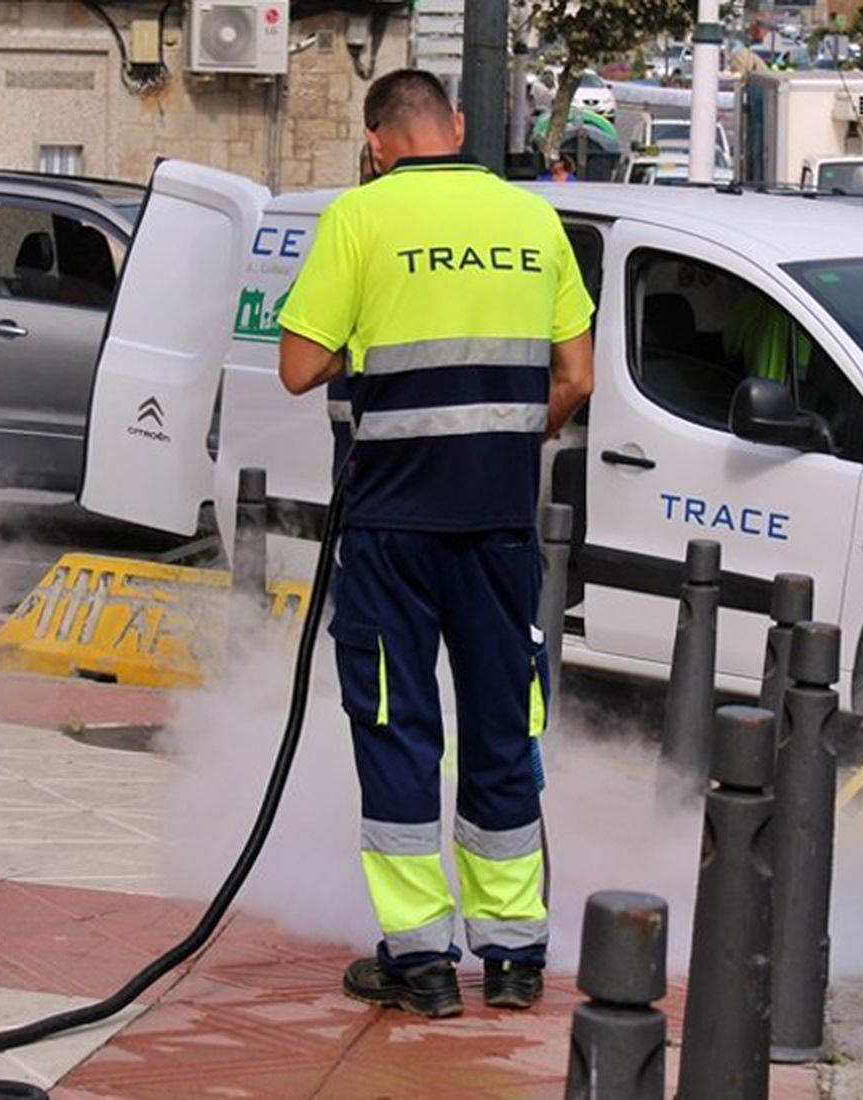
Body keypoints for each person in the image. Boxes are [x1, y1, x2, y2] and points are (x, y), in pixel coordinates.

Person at [277, 68, 594, 1020]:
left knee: (398, 730)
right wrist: (504, 433)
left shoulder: (359, 222)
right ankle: (514, 957)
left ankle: (420, 964)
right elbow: (575, 375)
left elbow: (298, 366)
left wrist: (369, 331)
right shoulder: (535, 221)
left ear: (376, 144)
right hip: (500, 529)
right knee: (504, 731)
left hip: (390, 533)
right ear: (456, 126)